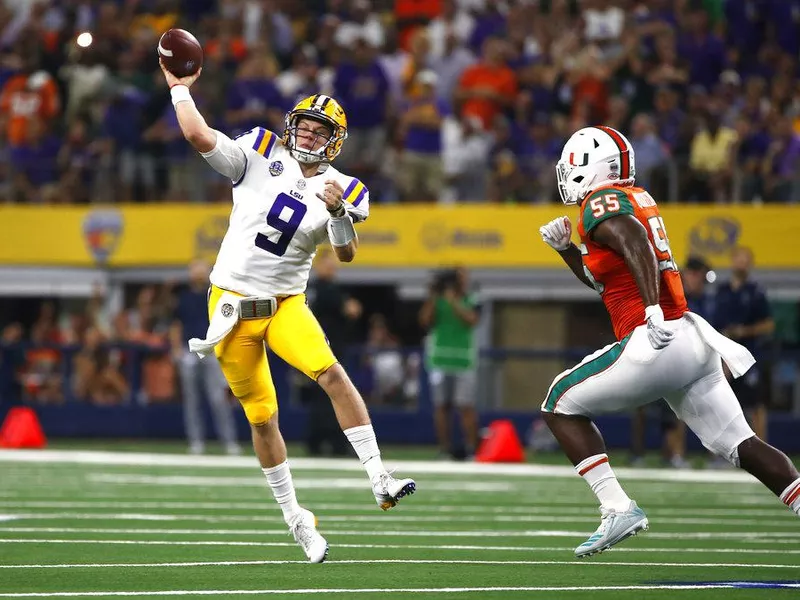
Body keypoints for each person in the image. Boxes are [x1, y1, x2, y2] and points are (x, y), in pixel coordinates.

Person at [161, 60, 416, 564]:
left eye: (320, 131)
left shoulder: (346, 187)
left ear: (334, 140)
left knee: (334, 376)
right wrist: (178, 89)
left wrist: (340, 212)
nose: (308, 134)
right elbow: (196, 135)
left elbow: (344, 254)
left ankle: (379, 476)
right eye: (303, 125)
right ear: (290, 125)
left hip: (284, 304)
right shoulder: (258, 151)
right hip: (232, 307)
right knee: (262, 419)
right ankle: (296, 518)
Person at [538, 125, 800, 558]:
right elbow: (606, 281)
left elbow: (634, 241)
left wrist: (651, 308)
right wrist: (568, 250)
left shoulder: (600, 203)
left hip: (656, 339)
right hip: (692, 344)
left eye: (571, 165)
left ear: (591, 168)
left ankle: (616, 506)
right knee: (743, 445)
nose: (566, 174)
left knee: (558, 403)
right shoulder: (633, 196)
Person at [170, 259, 241, 456]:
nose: (199, 273)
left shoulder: (216, 295)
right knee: (192, 400)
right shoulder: (183, 297)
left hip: (212, 350)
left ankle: (229, 441)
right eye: (195, 269)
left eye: (202, 269)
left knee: (218, 398)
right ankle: (196, 441)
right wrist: (176, 350)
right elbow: (176, 324)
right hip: (189, 351)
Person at [304, 248, 362, 456]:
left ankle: (320, 442)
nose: (332, 268)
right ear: (318, 266)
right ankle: (332, 442)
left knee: (324, 397)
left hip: (319, 347)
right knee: (334, 397)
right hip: (327, 348)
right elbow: (352, 310)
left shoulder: (312, 288)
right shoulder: (324, 288)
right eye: (327, 264)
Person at [419, 267, 480, 459]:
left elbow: (471, 320)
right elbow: (424, 320)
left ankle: (471, 449)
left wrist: (453, 300)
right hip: (439, 360)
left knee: (465, 406)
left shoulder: (472, 298)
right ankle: (444, 449)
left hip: (463, 361)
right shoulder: (437, 299)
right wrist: (433, 296)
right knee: (441, 407)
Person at [714, 247, 774, 441]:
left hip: (749, 354)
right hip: (725, 354)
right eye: (738, 259)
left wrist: (744, 331)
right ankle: (722, 452)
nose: (741, 263)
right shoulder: (722, 290)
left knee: (755, 404)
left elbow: (768, 325)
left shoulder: (756, 291)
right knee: (723, 403)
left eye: (745, 260)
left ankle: (763, 449)